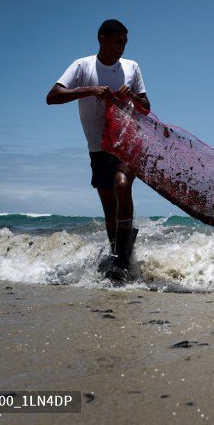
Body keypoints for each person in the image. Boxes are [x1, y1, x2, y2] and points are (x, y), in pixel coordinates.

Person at [46, 19, 151, 278]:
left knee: (122, 185)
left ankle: (124, 259)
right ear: (102, 39)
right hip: (97, 145)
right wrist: (90, 90)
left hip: (127, 141)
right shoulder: (82, 66)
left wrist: (132, 97)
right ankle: (118, 258)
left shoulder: (131, 67)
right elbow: (52, 97)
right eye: (118, 42)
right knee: (109, 208)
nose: (122, 48)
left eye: (125, 43)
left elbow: (146, 107)